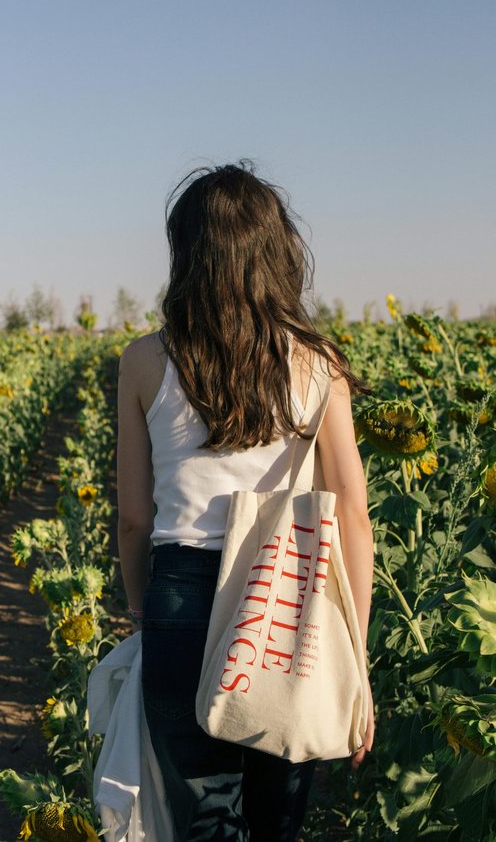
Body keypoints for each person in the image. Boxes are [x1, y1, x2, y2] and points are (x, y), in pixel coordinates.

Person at [116, 161, 375, 841]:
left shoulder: (145, 360)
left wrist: (144, 608)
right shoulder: (319, 363)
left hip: (181, 593)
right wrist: (356, 654)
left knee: (205, 821)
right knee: (276, 818)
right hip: (286, 598)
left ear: (187, 255)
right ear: (276, 252)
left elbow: (134, 518)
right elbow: (351, 511)